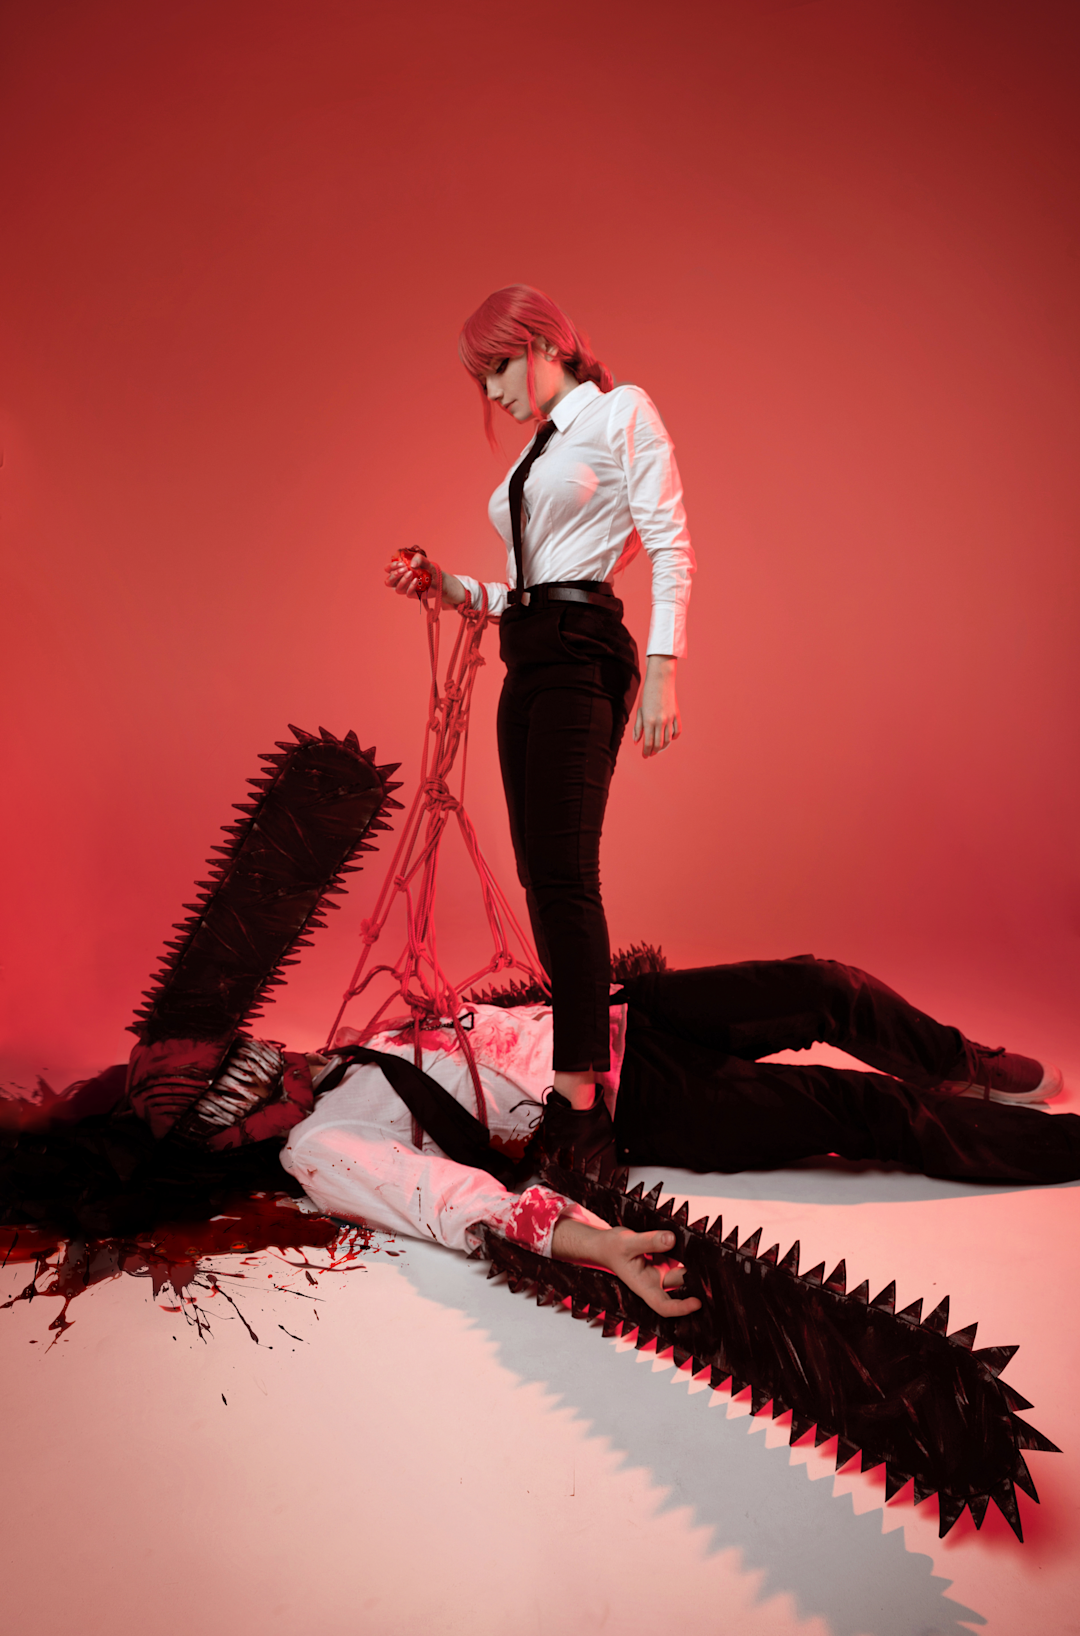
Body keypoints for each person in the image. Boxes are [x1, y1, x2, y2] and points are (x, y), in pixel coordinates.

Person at [278, 953, 1072, 1321]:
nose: (267, 1054)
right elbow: (449, 1201)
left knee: (827, 985)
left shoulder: (347, 1050)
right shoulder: (320, 1143)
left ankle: (956, 1065)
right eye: (238, 1075)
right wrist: (594, 1243)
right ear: (230, 1130)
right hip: (633, 1101)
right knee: (861, 1107)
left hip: (625, 1016)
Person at [384, 285, 695, 1151]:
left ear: (544, 343)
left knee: (564, 875)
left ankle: (579, 1109)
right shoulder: (540, 451)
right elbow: (526, 585)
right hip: (527, 651)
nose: (491, 392)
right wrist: (447, 584)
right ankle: (585, 1079)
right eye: (480, 379)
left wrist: (663, 669)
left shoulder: (621, 412)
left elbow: (670, 543)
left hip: (583, 649)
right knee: (539, 879)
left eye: (496, 368)